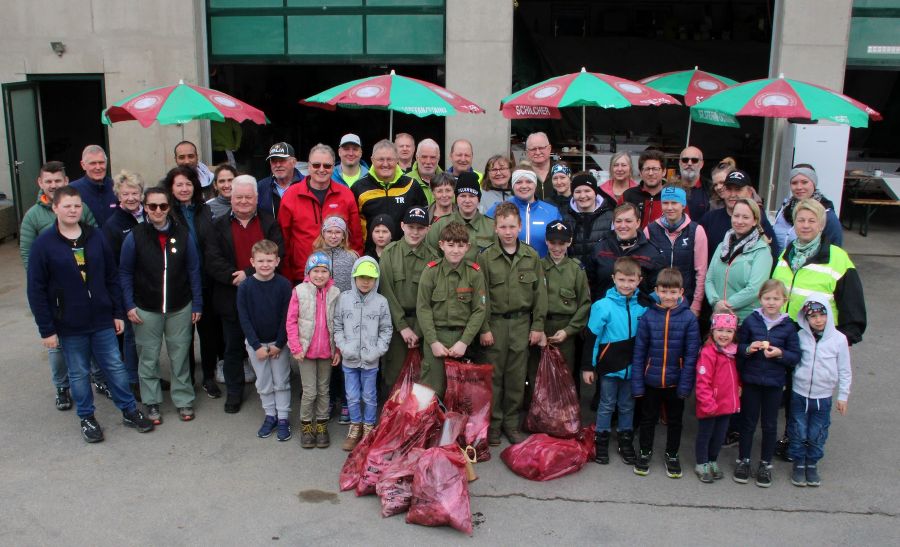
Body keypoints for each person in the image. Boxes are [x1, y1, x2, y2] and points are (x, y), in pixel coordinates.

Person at [26, 186, 154, 442]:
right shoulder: (44, 245)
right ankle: (87, 417)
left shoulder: (95, 236)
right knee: (79, 373)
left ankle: (129, 410)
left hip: (102, 319)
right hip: (69, 324)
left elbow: (111, 275)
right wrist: (47, 329)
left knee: (115, 367)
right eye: (67, 206)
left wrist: (117, 311)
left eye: (76, 206)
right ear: (55, 208)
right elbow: (36, 290)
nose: (73, 210)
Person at [771, 198, 866, 460]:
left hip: (817, 337)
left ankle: (809, 446)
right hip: (789, 334)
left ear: (822, 225)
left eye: (811, 220)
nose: (805, 225)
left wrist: (846, 338)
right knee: (792, 392)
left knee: (811, 398)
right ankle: (792, 439)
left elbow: (852, 302)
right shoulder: (787, 251)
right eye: (801, 220)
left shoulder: (837, 258)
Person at [120, 187, 202, 424]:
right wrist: (129, 304)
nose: (158, 210)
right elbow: (124, 273)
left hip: (180, 307)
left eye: (163, 206)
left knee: (179, 357)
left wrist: (197, 303)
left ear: (169, 208)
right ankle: (152, 401)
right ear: (145, 207)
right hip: (146, 308)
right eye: (152, 206)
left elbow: (194, 270)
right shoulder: (135, 236)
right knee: (148, 357)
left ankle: (184, 399)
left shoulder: (183, 234)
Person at [20, 161, 99, 410]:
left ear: (66, 182)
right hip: (55, 295)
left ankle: (98, 379)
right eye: (49, 181)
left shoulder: (80, 208)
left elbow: (95, 239)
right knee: (56, 348)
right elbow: (27, 255)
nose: (54, 185)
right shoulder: (33, 216)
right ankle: (62, 388)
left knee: (93, 338)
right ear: (40, 183)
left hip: (85, 289)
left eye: (58, 181)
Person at [205, 176, 284, 413]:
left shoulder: (269, 222)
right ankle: (235, 392)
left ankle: (276, 392)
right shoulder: (218, 225)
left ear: (256, 198)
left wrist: (248, 273)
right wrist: (234, 276)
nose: (243, 201)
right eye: (238, 197)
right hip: (230, 295)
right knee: (233, 347)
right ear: (231, 197)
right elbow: (212, 258)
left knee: (269, 345)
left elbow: (279, 252)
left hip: (265, 298)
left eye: (248, 197)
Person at [477, 202, 548, 445]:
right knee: (494, 379)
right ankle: (494, 425)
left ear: (520, 227)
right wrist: (484, 328)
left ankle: (511, 423)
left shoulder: (531, 256)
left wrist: (538, 325)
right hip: (495, 324)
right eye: (503, 226)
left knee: (517, 379)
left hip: (521, 324)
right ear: (495, 229)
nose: (508, 231)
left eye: (512, 226)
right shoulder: (485, 257)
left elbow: (540, 294)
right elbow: (481, 296)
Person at [631, 268, 701, 478]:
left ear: (681, 292)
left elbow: (691, 355)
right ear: (656, 291)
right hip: (650, 380)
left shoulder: (689, 319)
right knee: (647, 419)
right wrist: (637, 382)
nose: (668, 297)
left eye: (673, 292)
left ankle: (672, 454)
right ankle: (644, 452)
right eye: (664, 291)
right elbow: (639, 352)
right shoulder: (648, 316)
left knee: (675, 420)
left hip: (676, 380)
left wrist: (685, 384)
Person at [734, 279, 801, 487]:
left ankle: (765, 463)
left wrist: (781, 354)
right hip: (752, 380)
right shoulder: (752, 321)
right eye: (767, 298)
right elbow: (738, 348)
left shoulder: (789, 326)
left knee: (770, 425)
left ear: (784, 300)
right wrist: (748, 348)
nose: (771, 302)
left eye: (776, 298)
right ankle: (744, 460)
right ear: (760, 298)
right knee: (748, 422)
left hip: (774, 383)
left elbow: (795, 356)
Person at [581, 256, 646, 466]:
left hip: (633, 368)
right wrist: (588, 367)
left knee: (627, 405)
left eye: (631, 280)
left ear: (639, 280)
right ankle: (601, 440)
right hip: (609, 367)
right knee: (607, 404)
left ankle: (625, 441)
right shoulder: (602, 306)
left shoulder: (644, 305)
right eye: (621, 280)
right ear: (613, 278)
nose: (626, 285)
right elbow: (592, 338)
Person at [164, 165, 220, 394]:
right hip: (180, 282)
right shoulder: (167, 212)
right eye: (179, 184)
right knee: (183, 335)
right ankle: (186, 378)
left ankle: (208, 376)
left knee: (208, 333)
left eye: (188, 184)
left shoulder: (204, 210)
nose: (184, 188)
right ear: (171, 188)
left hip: (205, 279)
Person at [417, 222, 487, 397]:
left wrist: (464, 342)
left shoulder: (474, 273)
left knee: (461, 395)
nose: (455, 250)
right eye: (450, 245)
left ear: (467, 247)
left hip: (463, 340)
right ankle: (431, 426)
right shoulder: (431, 272)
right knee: (430, 392)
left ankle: (457, 426)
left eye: (460, 245)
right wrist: (433, 342)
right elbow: (423, 308)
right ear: (441, 245)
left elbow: (479, 310)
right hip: (436, 339)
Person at [789, 296, 851, 487]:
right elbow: (794, 361)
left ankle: (812, 462)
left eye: (822, 314)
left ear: (829, 315)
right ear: (805, 319)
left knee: (818, 431)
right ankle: (799, 463)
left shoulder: (839, 340)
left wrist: (843, 396)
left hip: (823, 395)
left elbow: (844, 370)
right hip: (799, 392)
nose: (818, 320)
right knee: (798, 429)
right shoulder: (800, 337)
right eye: (813, 316)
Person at [278, 143, 363, 284]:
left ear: (333, 167)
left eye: (327, 166)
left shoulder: (345, 194)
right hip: (302, 276)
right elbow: (283, 240)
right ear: (309, 166)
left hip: (339, 278)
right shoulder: (291, 195)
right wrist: (288, 278)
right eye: (316, 165)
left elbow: (356, 239)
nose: (321, 170)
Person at [238, 240, 294, 442]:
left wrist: (280, 343)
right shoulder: (245, 287)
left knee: (281, 381)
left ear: (277, 261)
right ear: (252, 261)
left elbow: (287, 317)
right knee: (263, 382)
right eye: (261, 261)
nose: (265, 265)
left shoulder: (284, 285)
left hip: (279, 343)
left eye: (269, 260)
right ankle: (270, 415)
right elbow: (244, 318)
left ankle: (283, 418)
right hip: (256, 345)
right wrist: (256, 346)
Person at [334, 256, 392, 451]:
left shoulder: (381, 302)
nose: (366, 282)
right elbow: (337, 326)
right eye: (361, 277)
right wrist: (344, 346)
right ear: (354, 277)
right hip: (349, 359)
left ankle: (368, 427)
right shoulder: (344, 299)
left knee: (369, 395)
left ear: (376, 279)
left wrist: (377, 351)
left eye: (370, 278)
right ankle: (355, 426)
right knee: (351, 395)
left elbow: (386, 329)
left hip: (371, 360)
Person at [378, 207, 436, 394]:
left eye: (420, 228)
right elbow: (386, 291)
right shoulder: (389, 253)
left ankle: (418, 422)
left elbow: (433, 298)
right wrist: (403, 327)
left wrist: (418, 330)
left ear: (427, 229)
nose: (415, 232)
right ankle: (394, 420)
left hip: (424, 325)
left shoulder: (434, 257)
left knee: (423, 379)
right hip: (396, 325)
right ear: (402, 226)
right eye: (411, 226)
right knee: (394, 376)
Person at [287, 251, 342, 448]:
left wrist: (338, 350)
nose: (319, 275)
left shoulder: (335, 293)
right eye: (315, 271)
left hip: (327, 352)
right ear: (308, 272)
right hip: (306, 352)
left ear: (330, 273)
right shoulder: (299, 291)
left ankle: (321, 424)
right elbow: (291, 321)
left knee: (323, 391)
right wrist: (295, 347)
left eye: (324, 271)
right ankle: (306, 426)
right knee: (309, 392)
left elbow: (338, 323)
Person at [101, 170, 145, 395]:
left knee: (147, 338)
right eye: (125, 193)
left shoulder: (148, 215)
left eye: (135, 193)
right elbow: (114, 266)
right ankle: (133, 380)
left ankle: (148, 377)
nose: (131, 198)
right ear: (118, 196)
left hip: (149, 287)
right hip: (127, 289)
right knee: (130, 337)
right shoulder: (113, 225)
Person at [313, 215, 359, 424]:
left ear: (344, 235)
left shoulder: (351, 257)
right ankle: (330, 399)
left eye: (338, 232)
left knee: (346, 361)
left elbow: (356, 285)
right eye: (329, 231)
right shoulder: (316, 256)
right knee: (328, 359)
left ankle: (347, 401)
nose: (333, 235)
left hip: (346, 315)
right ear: (323, 233)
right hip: (323, 316)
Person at [533, 221, 590, 390]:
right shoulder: (538, 266)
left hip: (565, 331)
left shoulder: (576, 269)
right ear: (546, 241)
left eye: (562, 243)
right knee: (538, 377)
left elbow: (585, 304)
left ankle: (562, 415)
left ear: (569, 242)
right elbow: (530, 300)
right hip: (540, 329)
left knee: (563, 378)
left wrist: (568, 331)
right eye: (553, 243)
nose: (557, 248)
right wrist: (537, 329)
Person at [352, 139, 428, 254]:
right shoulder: (359, 188)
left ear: (397, 160)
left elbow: (423, 222)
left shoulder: (411, 186)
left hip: (404, 255)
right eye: (381, 159)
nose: (385, 164)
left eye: (390, 159)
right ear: (372, 160)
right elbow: (352, 227)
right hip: (369, 255)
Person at [705, 197, 773, 322]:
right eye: (736, 216)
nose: (739, 221)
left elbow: (755, 288)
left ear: (755, 221)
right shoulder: (722, 246)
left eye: (745, 217)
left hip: (745, 321)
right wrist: (716, 302)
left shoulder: (762, 251)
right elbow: (709, 280)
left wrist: (727, 305)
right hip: (718, 320)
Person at [644, 186, 708, 316]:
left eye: (674, 203)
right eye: (665, 203)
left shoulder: (696, 231)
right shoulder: (650, 230)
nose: (669, 207)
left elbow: (701, 272)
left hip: (685, 302)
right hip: (657, 301)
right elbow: (645, 269)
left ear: (683, 204)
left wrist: (696, 304)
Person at [693, 312, 741, 483]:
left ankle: (712, 460)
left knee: (719, 436)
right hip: (710, 405)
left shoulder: (733, 352)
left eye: (729, 331)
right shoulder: (708, 352)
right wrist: (707, 403)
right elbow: (702, 381)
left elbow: (736, 376)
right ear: (712, 331)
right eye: (720, 329)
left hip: (727, 404)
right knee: (705, 435)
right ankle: (701, 463)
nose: (724, 335)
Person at [586, 202, 664, 302]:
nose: (623, 225)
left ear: (638, 222)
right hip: (605, 312)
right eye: (618, 221)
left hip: (640, 313)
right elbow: (589, 284)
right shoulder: (600, 248)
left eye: (628, 221)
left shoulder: (652, 252)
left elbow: (658, 290)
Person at [486, 165, 561, 258]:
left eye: (529, 181)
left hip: (542, 269)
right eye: (519, 182)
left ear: (535, 184)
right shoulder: (498, 208)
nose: (524, 186)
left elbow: (561, 245)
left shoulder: (551, 212)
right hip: (508, 270)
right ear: (513, 185)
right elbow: (485, 239)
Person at [700, 170, 777, 260]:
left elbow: (772, 257)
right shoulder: (709, 219)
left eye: (738, 189)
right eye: (729, 189)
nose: (732, 194)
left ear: (749, 192)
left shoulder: (759, 221)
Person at [426, 171, 495, 263]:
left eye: (472, 196)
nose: (467, 200)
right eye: (463, 196)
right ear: (456, 198)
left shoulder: (491, 226)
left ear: (478, 199)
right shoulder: (439, 225)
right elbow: (431, 258)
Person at [773, 164, 843, 251]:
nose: (799, 187)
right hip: (782, 263)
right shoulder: (783, 210)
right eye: (794, 183)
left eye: (804, 182)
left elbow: (835, 250)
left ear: (814, 183)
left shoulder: (827, 214)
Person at [560, 172, 615, 267]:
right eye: (578, 192)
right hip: (574, 275)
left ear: (595, 192)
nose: (582, 196)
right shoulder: (564, 216)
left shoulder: (610, 217)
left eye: (587, 191)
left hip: (601, 275)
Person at [70, 144, 117, 227]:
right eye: (93, 163)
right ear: (83, 165)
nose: (98, 167)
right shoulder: (72, 190)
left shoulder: (117, 187)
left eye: (101, 162)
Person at [623, 149, 667, 229]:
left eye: (655, 169)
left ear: (664, 172)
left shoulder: (672, 196)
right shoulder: (628, 195)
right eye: (647, 169)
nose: (651, 173)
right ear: (640, 173)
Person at [256, 142, 302, 218]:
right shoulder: (261, 186)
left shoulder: (307, 184)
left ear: (294, 162)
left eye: (282, 160)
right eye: (274, 161)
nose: (278, 165)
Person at [677, 146, 711, 222]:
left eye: (694, 160)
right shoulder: (670, 188)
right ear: (679, 163)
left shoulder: (711, 189)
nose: (689, 163)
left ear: (702, 164)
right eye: (685, 160)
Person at [406, 138, 442, 203]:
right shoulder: (405, 182)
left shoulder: (448, 182)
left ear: (438, 159)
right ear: (417, 157)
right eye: (424, 157)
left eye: (432, 157)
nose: (428, 162)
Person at [524, 132, 553, 200]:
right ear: (527, 152)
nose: (537, 152)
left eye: (541, 148)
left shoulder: (560, 172)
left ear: (549, 148)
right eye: (533, 149)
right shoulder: (522, 174)